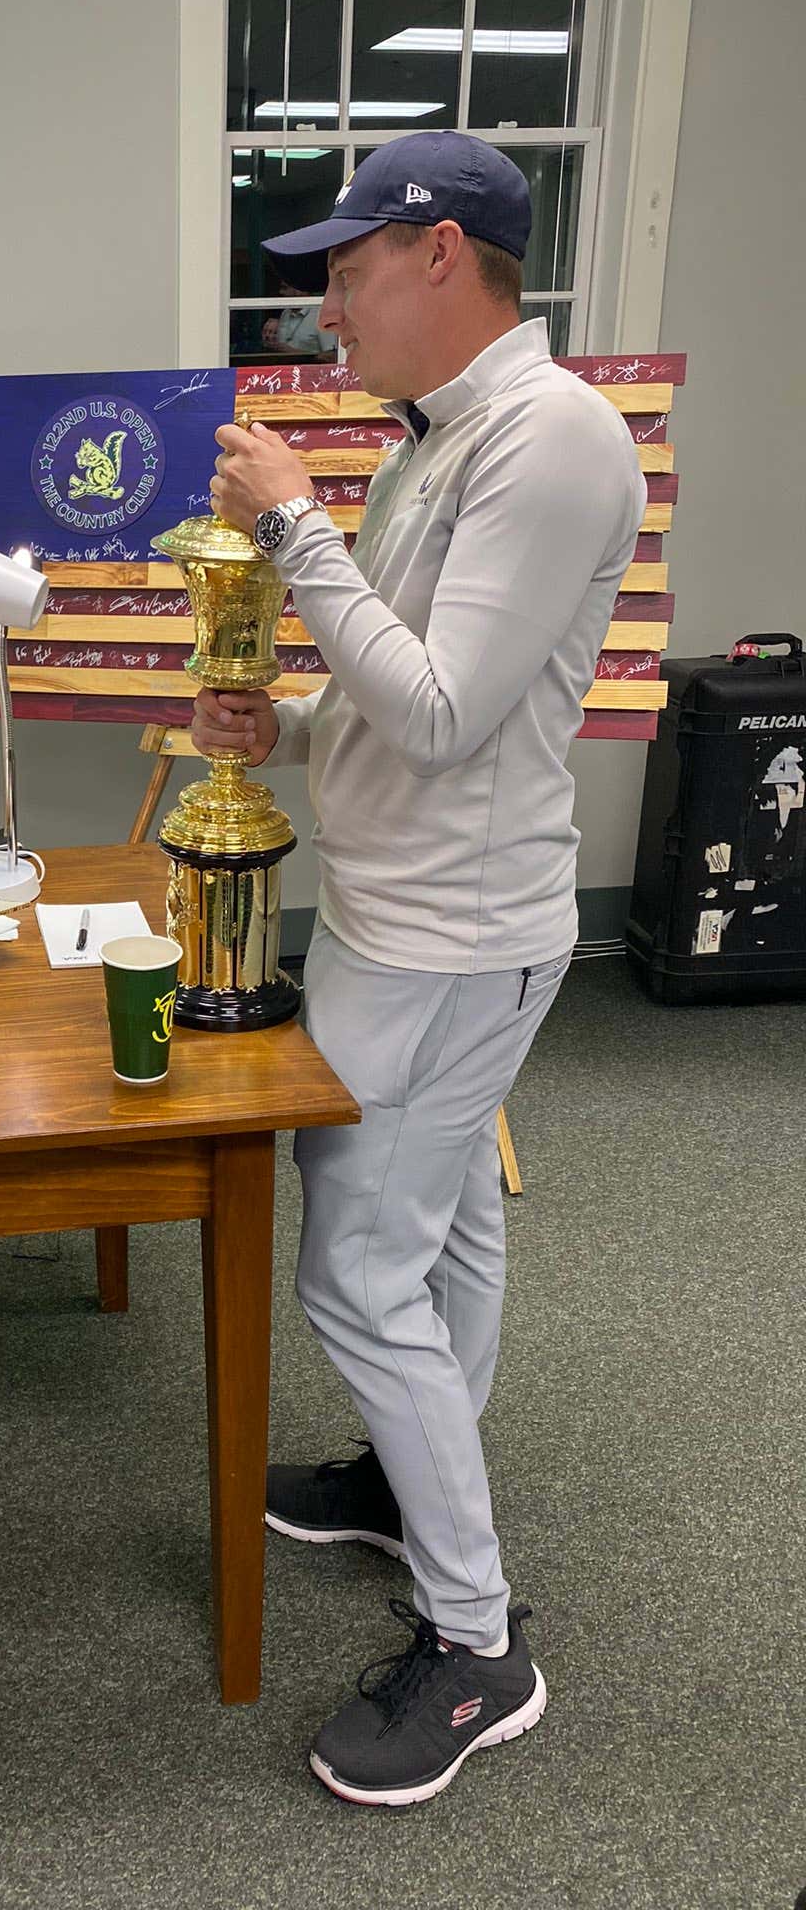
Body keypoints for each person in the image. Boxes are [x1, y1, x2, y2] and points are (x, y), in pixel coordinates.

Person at [196, 132, 645, 1807]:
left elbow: (449, 715)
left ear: (439, 252)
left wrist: (290, 527)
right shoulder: (445, 436)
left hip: (453, 934)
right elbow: (415, 682)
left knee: (356, 1268)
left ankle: (477, 1646)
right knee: (442, 1219)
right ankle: (410, 1475)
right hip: (407, 911)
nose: (328, 307)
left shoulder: (555, 437)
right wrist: (295, 723)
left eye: (347, 269)